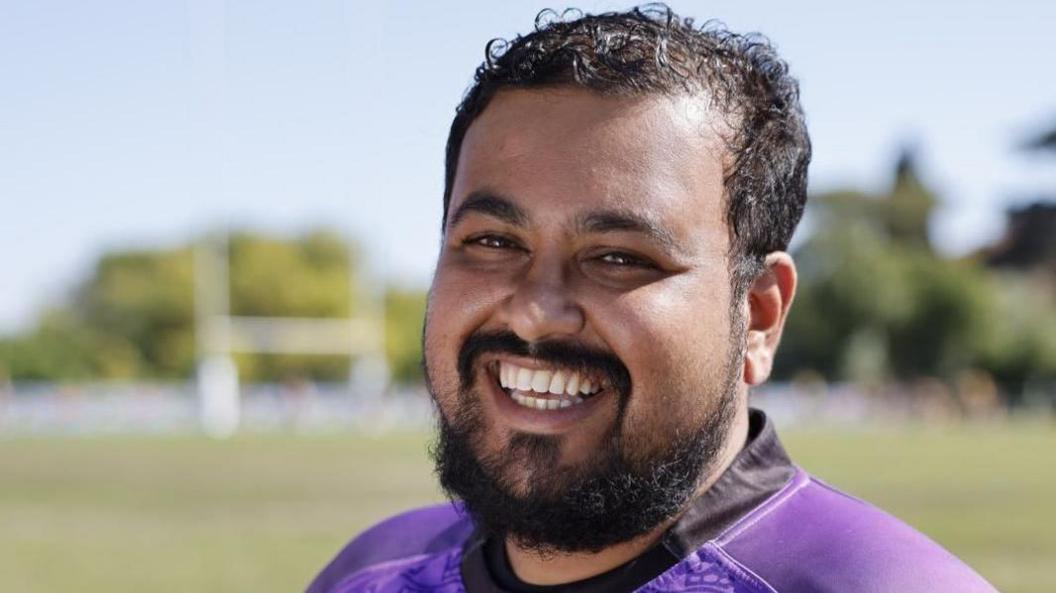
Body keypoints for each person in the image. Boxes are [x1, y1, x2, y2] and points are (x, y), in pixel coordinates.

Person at [308, 6, 998, 593]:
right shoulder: (370, 572)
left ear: (759, 314)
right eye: (493, 242)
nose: (535, 310)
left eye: (618, 257)